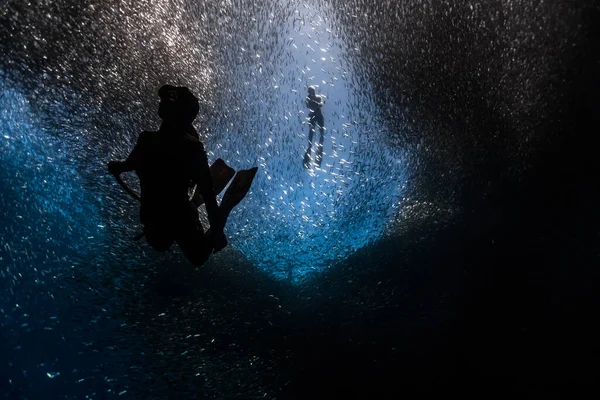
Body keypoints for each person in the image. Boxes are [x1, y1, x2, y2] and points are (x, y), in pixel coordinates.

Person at [107, 85, 242, 266]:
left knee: (198, 258)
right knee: (159, 244)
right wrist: (119, 167)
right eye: (165, 99)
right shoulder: (146, 139)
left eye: (169, 100)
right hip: (156, 212)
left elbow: (209, 196)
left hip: (180, 215)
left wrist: (217, 231)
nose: (162, 102)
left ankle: (211, 208)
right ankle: (194, 204)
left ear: (180, 113)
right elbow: (130, 163)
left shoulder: (192, 150)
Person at [303, 86, 325, 168]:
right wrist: (312, 102)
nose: (310, 93)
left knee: (321, 135)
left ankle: (318, 159)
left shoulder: (318, 97)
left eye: (311, 91)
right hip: (313, 116)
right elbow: (307, 105)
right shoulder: (308, 98)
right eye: (309, 92)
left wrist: (316, 103)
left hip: (318, 116)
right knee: (311, 136)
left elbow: (321, 104)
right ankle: (308, 159)